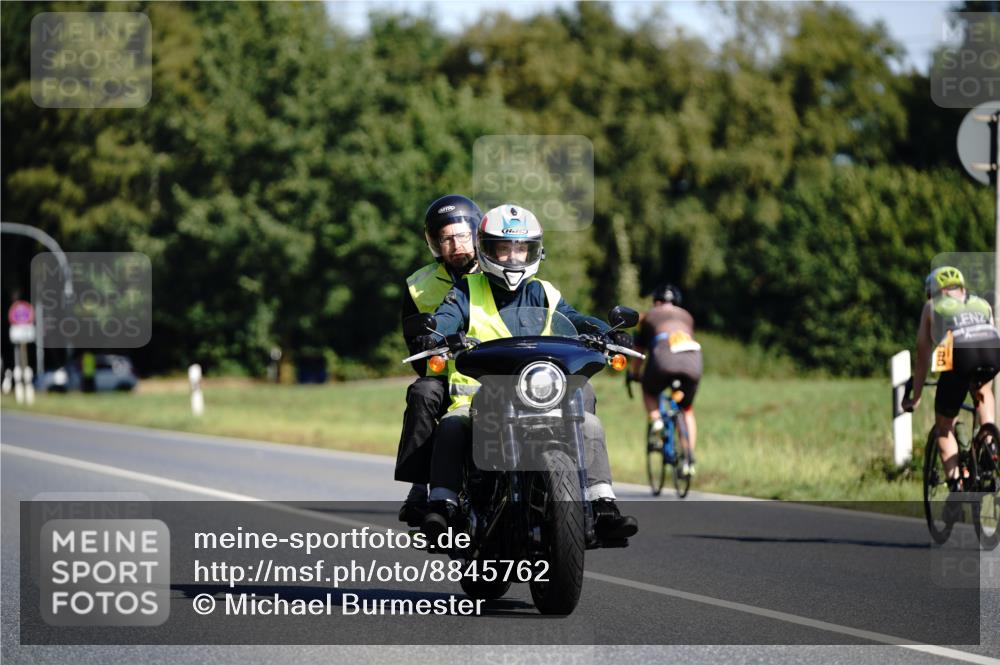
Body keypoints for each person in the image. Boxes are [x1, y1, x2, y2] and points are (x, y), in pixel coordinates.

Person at [417, 204, 638, 542]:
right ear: (486, 249)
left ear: (535, 250)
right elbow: (446, 316)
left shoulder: (546, 292)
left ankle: (602, 503)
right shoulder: (465, 290)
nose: (513, 257)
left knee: (588, 420)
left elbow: (576, 319)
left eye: (522, 248)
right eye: (503, 248)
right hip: (478, 396)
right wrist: (435, 335)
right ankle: (442, 504)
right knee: (452, 425)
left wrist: (607, 333)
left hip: (540, 392)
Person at [395, 195, 483, 527]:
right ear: (435, 243)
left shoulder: (503, 270)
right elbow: (414, 348)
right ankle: (420, 488)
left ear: (476, 234)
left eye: (462, 236)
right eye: (446, 238)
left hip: (502, 373)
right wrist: (435, 347)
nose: (456, 245)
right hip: (448, 378)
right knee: (422, 393)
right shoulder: (418, 287)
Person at [902, 266, 1000, 501]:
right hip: (993, 349)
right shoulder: (981, 302)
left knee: (944, 427)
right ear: (962, 287)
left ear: (934, 292)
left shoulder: (932, 306)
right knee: (982, 390)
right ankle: (990, 444)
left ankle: (955, 488)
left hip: (961, 353)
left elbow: (923, 354)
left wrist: (915, 397)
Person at [629, 284, 702, 476]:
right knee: (686, 409)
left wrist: (635, 374)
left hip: (664, 357)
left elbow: (638, 352)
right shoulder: (687, 316)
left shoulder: (648, 316)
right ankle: (688, 459)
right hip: (693, 359)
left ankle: (656, 420)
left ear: (656, 302)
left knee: (649, 389)